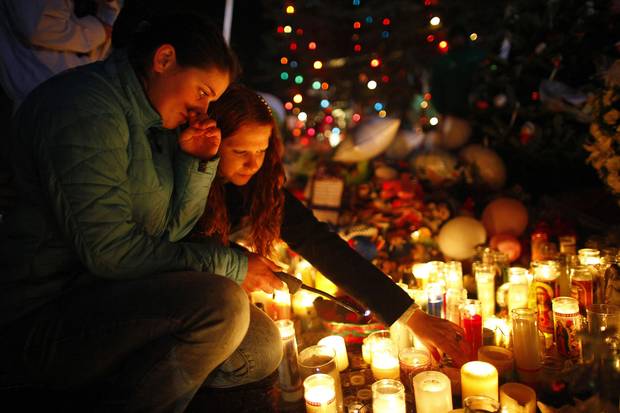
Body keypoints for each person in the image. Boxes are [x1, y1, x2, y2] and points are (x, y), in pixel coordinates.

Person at [0, 13, 285, 413]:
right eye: (203, 91)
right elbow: (111, 253)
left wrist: (198, 163)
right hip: (45, 313)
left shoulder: (157, 119)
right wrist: (231, 264)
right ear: (164, 59)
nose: (204, 108)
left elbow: (171, 230)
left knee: (258, 346)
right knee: (222, 305)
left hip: (108, 294)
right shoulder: (84, 109)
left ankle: (125, 378)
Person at [200, 83, 470, 365]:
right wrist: (239, 261)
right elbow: (181, 247)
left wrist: (411, 316)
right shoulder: (192, 183)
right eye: (241, 152)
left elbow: (319, 242)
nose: (253, 164)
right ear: (214, 142)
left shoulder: (260, 186)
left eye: (261, 151)